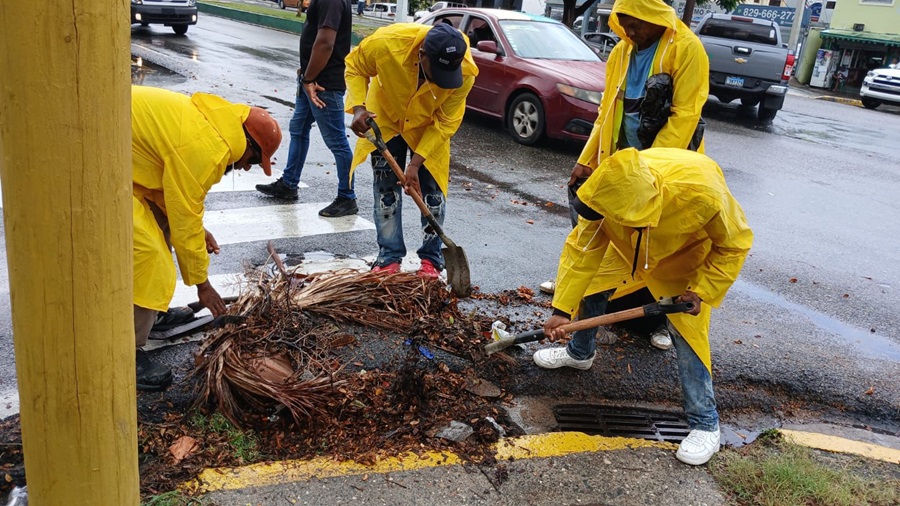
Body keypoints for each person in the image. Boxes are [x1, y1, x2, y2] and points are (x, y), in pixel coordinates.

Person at [534, 147, 753, 466]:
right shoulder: (608, 190)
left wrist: (701, 290)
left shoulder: (703, 194)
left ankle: (705, 424)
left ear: (635, 213)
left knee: (687, 334)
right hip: (630, 246)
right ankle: (580, 353)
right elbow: (582, 253)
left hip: (685, 255)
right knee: (592, 283)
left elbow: (735, 243)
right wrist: (561, 311)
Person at [540, 0, 709, 351]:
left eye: (635, 24)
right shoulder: (621, 52)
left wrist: (649, 172)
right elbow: (607, 112)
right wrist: (587, 160)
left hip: (663, 173)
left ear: (655, 18)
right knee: (594, 243)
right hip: (617, 167)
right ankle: (580, 343)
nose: (629, 32)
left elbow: (684, 117)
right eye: (623, 24)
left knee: (658, 250)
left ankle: (660, 322)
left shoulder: (687, 49)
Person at [132, 85, 282, 391]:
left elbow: (172, 194)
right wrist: (203, 285)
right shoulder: (207, 148)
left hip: (126, 157)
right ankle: (124, 353)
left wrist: (198, 231)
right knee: (150, 257)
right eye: (253, 160)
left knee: (161, 223)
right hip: (96, 155)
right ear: (248, 143)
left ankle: (152, 314)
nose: (244, 166)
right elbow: (184, 214)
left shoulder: (215, 124)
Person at [345, 23, 478, 277]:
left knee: (433, 194)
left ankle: (431, 259)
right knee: (386, 189)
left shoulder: (465, 72)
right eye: (436, 70)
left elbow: (446, 123)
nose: (442, 78)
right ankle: (388, 257)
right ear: (422, 54)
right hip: (386, 117)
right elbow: (355, 66)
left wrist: (415, 164)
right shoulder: (386, 43)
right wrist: (359, 108)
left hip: (429, 127)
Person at [256, 0, 357, 218]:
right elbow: (316, 37)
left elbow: (326, 43)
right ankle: (289, 184)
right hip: (310, 79)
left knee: (337, 141)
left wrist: (310, 77)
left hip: (323, 85)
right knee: (299, 128)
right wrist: (305, 71)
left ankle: (347, 197)